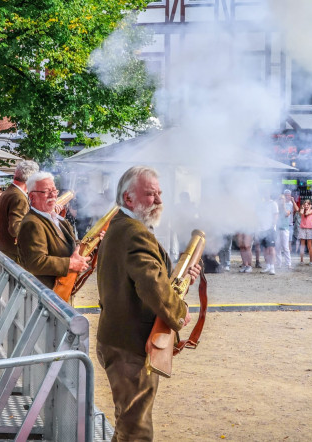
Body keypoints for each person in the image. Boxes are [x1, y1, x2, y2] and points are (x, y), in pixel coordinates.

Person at [95, 166, 201, 441]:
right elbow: (152, 286)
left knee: (128, 423)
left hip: (120, 339)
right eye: (150, 194)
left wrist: (181, 279)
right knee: (136, 430)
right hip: (131, 345)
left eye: (159, 193)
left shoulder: (123, 226)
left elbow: (151, 278)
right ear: (128, 199)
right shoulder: (135, 232)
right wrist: (180, 314)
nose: (158, 200)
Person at [16, 171, 90, 289]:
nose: (53, 195)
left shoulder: (58, 219)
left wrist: (93, 242)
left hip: (60, 289)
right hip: (45, 295)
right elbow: (35, 262)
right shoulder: (32, 223)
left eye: (54, 191)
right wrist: (70, 263)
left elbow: (73, 244)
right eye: (46, 191)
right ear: (32, 197)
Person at [0, 160, 40, 261]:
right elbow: (15, 228)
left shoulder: (9, 191)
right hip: (13, 254)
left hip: (5, 250)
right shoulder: (19, 197)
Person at [256, 194, 278, 275]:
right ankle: (268, 266)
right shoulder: (261, 204)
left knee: (271, 249)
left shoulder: (273, 204)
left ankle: (272, 267)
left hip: (270, 229)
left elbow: (276, 215)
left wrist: (272, 226)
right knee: (265, 249)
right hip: (262, 230)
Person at [276, 190, 297, 269]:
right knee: (277, 247)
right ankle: (279, 263)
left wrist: (283, 205)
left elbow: (287, 214)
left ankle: (288, 264)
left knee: (285, 247)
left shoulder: (289, 205)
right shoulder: (277, 206)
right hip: (277, 228)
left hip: (285, 228)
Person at [298, 199, 312, 264]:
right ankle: (301, 260)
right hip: (302, 228)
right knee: (302, 245)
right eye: (305, 205)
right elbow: (301, 213)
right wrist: (302, 208)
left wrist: (309, 208)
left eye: (308, 205)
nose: (306, 206)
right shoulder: (302, 210)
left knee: (309, 245)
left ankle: (311, 260)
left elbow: (307, 213)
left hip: (309, 229)